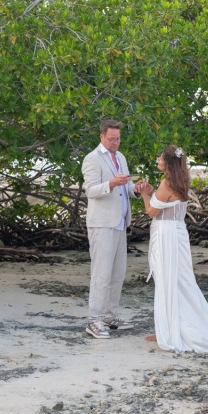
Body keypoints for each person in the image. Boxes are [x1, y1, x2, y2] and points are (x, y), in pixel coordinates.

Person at [137, 146, 208, 353]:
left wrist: (145, 194)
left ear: (168, 163)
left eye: (160, 158)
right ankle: (169, 328)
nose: (157, 161)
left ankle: (169, 332)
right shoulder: (181, 181)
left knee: (166, 280)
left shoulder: (167, 182)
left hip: (166, 234)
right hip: (178, 231)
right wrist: (153, 193)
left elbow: (152, 211)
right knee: (180, 280)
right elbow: (166, 203)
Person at [81, 119, 143, 339]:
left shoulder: (121, 157)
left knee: (118, 272)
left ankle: (110, 315)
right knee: (101, 273)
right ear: (102, 137)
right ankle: (94, 319)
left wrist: (135, 190)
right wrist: (112, 184)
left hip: (120, 222)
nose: (116, 142)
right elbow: (90, 190)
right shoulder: (92, 158)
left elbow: (125, 188)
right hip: (101, 223)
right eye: (112, 138)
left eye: (118, 138)